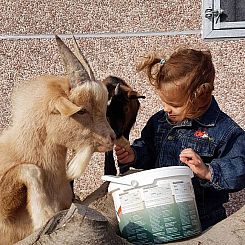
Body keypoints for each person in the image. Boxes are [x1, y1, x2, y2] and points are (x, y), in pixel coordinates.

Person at [115, 48, 245, 231]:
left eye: (175, 105)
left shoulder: (225, 131)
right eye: (163, 102)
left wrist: (207, 171)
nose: (166, 109)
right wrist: (135, 155)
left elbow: (240, 171)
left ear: (200, 96)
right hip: (160, 213)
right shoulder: (160, 121)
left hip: (204, 222)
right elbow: (149, 148)